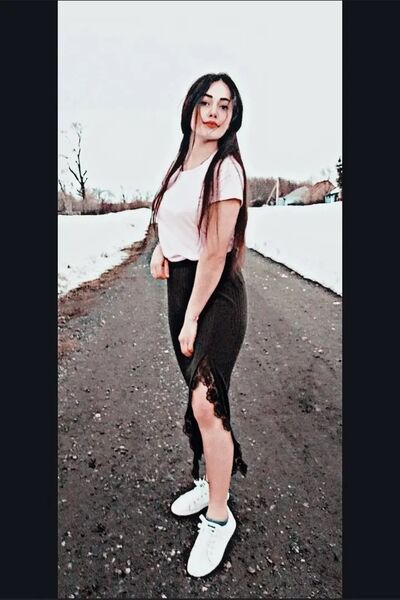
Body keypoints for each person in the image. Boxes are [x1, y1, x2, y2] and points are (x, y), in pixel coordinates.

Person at [150, 72, 248, 578]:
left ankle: (219, 518)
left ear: (233, 117)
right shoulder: (179, 167)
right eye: (206, 102)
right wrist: (161, 249)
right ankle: (209, 484)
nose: (213, 111)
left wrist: (191, 317)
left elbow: (213, 252)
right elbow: (172, 220)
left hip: (216, 295)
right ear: (191, 107)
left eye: (224, 105)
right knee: (197, 395)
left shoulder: (224, 169)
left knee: (207, 401)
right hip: (182, 288)